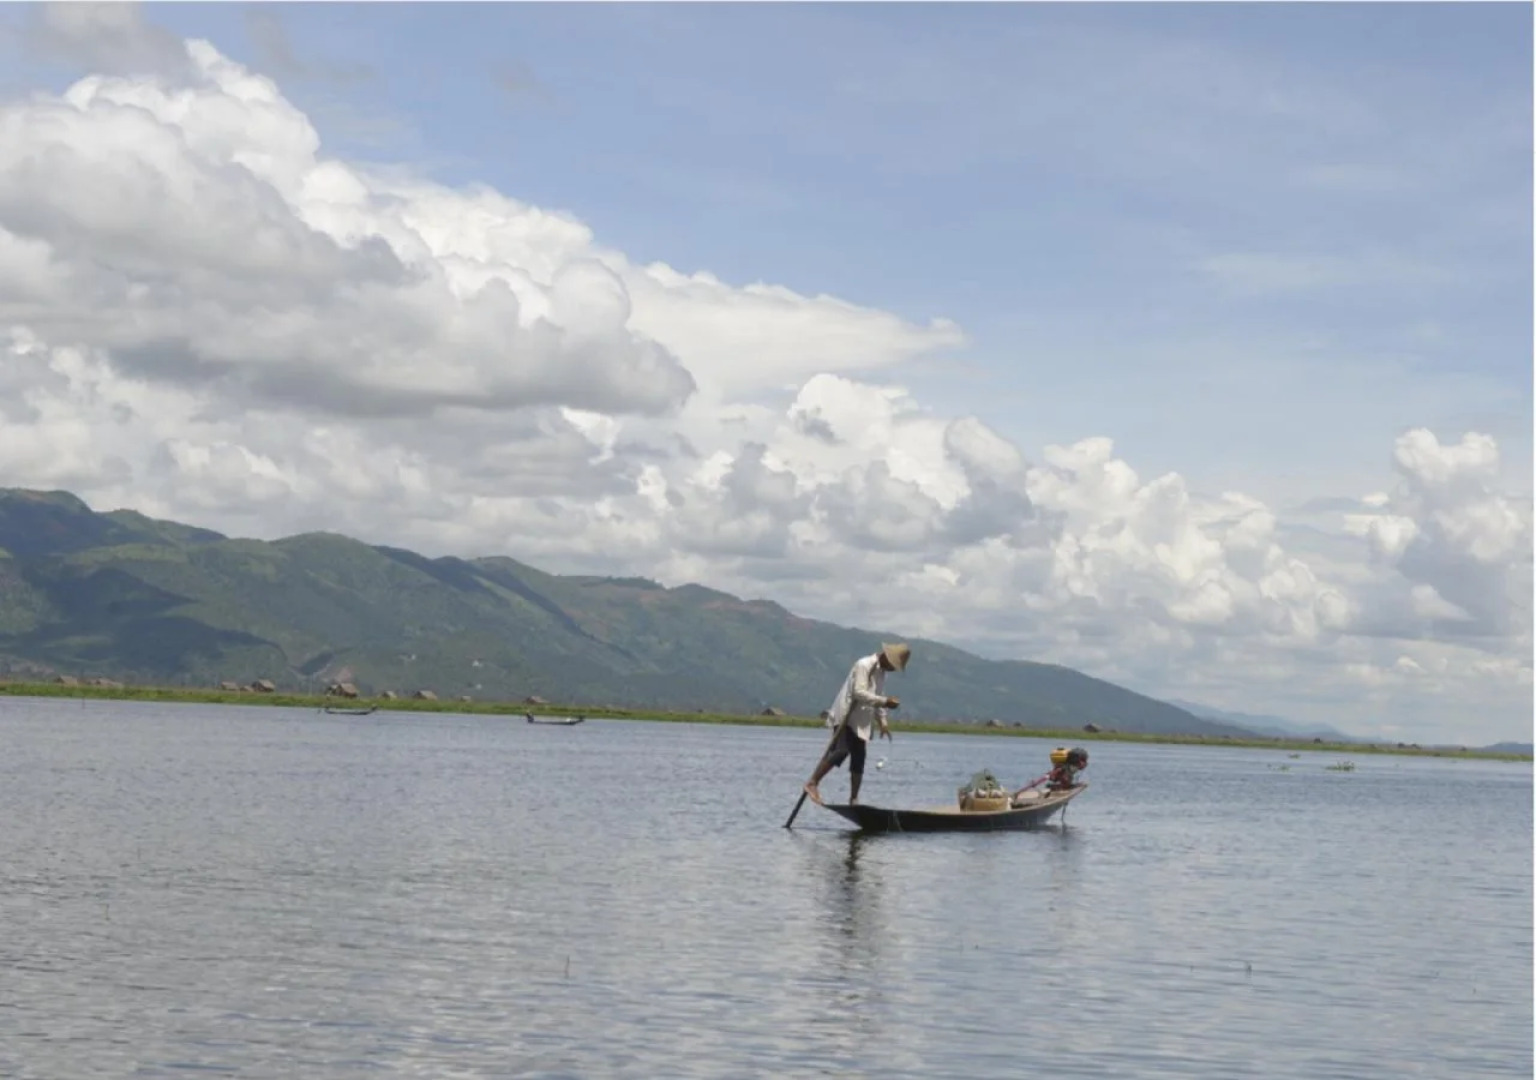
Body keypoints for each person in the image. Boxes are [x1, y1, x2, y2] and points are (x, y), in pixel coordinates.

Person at [803, 642, 911, 806]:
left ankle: (854, 798)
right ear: (886, 658)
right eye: (893, 666)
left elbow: (878, 696)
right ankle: (812, 783)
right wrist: (885, 701)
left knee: (859, 758)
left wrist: (883, 722)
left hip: (861, 721)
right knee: (842, 750)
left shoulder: (881, 674)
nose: (892, 669)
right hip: (846, 716)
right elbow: (859, 693)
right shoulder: (863, 665)